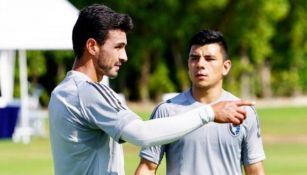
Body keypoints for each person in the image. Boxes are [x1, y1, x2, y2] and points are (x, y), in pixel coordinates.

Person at [48, 4, 254, 175]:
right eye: (118, 47)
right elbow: (142, 134)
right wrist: (209, 112)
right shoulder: (87, 92)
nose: (124, 57)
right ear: (92, 46)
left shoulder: (62, 91)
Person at [135, 29, 266, 175]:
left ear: (226, 67)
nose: (200, 64)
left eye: (209, 59)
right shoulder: (167, 111)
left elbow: (255, 170)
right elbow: (147, 168)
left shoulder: (243, 111)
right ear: (188, 64)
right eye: (194, 58)